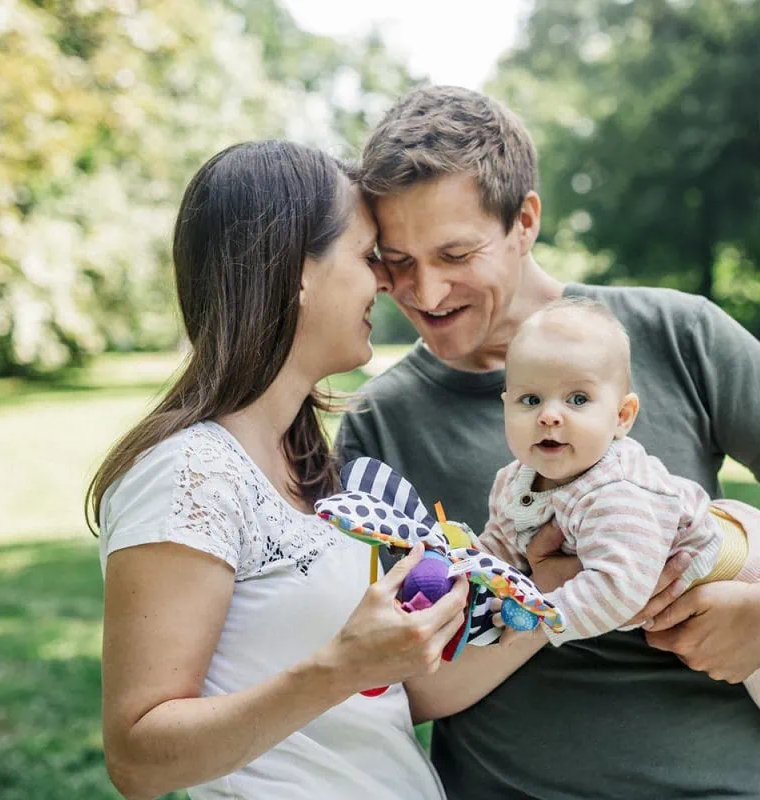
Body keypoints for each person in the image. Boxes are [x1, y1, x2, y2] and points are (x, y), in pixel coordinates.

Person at [336, 86, 760, 798]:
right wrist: (546, 589)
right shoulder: (379, 426)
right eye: (396, 261)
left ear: (525, 220)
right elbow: (402, 690)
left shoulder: (679, 334)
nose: (424, 292)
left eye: (456, 253)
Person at [87, 141, 476, 800]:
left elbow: (389, 697)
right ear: (297, 271)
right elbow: (138, 758)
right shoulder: (188, 472)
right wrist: (341, 664)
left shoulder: (314, 468)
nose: (384, 282)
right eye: (365, 256)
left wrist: (561, 576)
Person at [477, 297, 760, 727]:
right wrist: (469, 562)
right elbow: (503, 540)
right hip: (730, 530)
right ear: (506, 406)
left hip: (753, 575)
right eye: (530, 399)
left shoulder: (617, 496)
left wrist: (541, 613)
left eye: (577, 399)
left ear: (622, 416)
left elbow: (618, 590)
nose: (549, 415)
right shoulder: (514, 480)